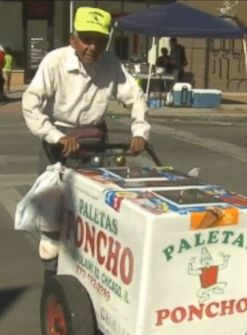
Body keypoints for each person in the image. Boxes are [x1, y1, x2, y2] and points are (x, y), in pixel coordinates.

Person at [21, 6, 151, 277]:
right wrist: (56, 136)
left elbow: (135, 97)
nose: (93, 46)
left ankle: (92, 264)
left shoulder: (111, 64)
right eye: (87, 39)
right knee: (52, 215)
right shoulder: (55, 61)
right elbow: (31, 103)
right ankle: (54, 270)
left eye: (100, 40)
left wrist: (139, 132)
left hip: (94, 140)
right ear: (73, 39)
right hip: (58, 138)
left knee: (96, 207)